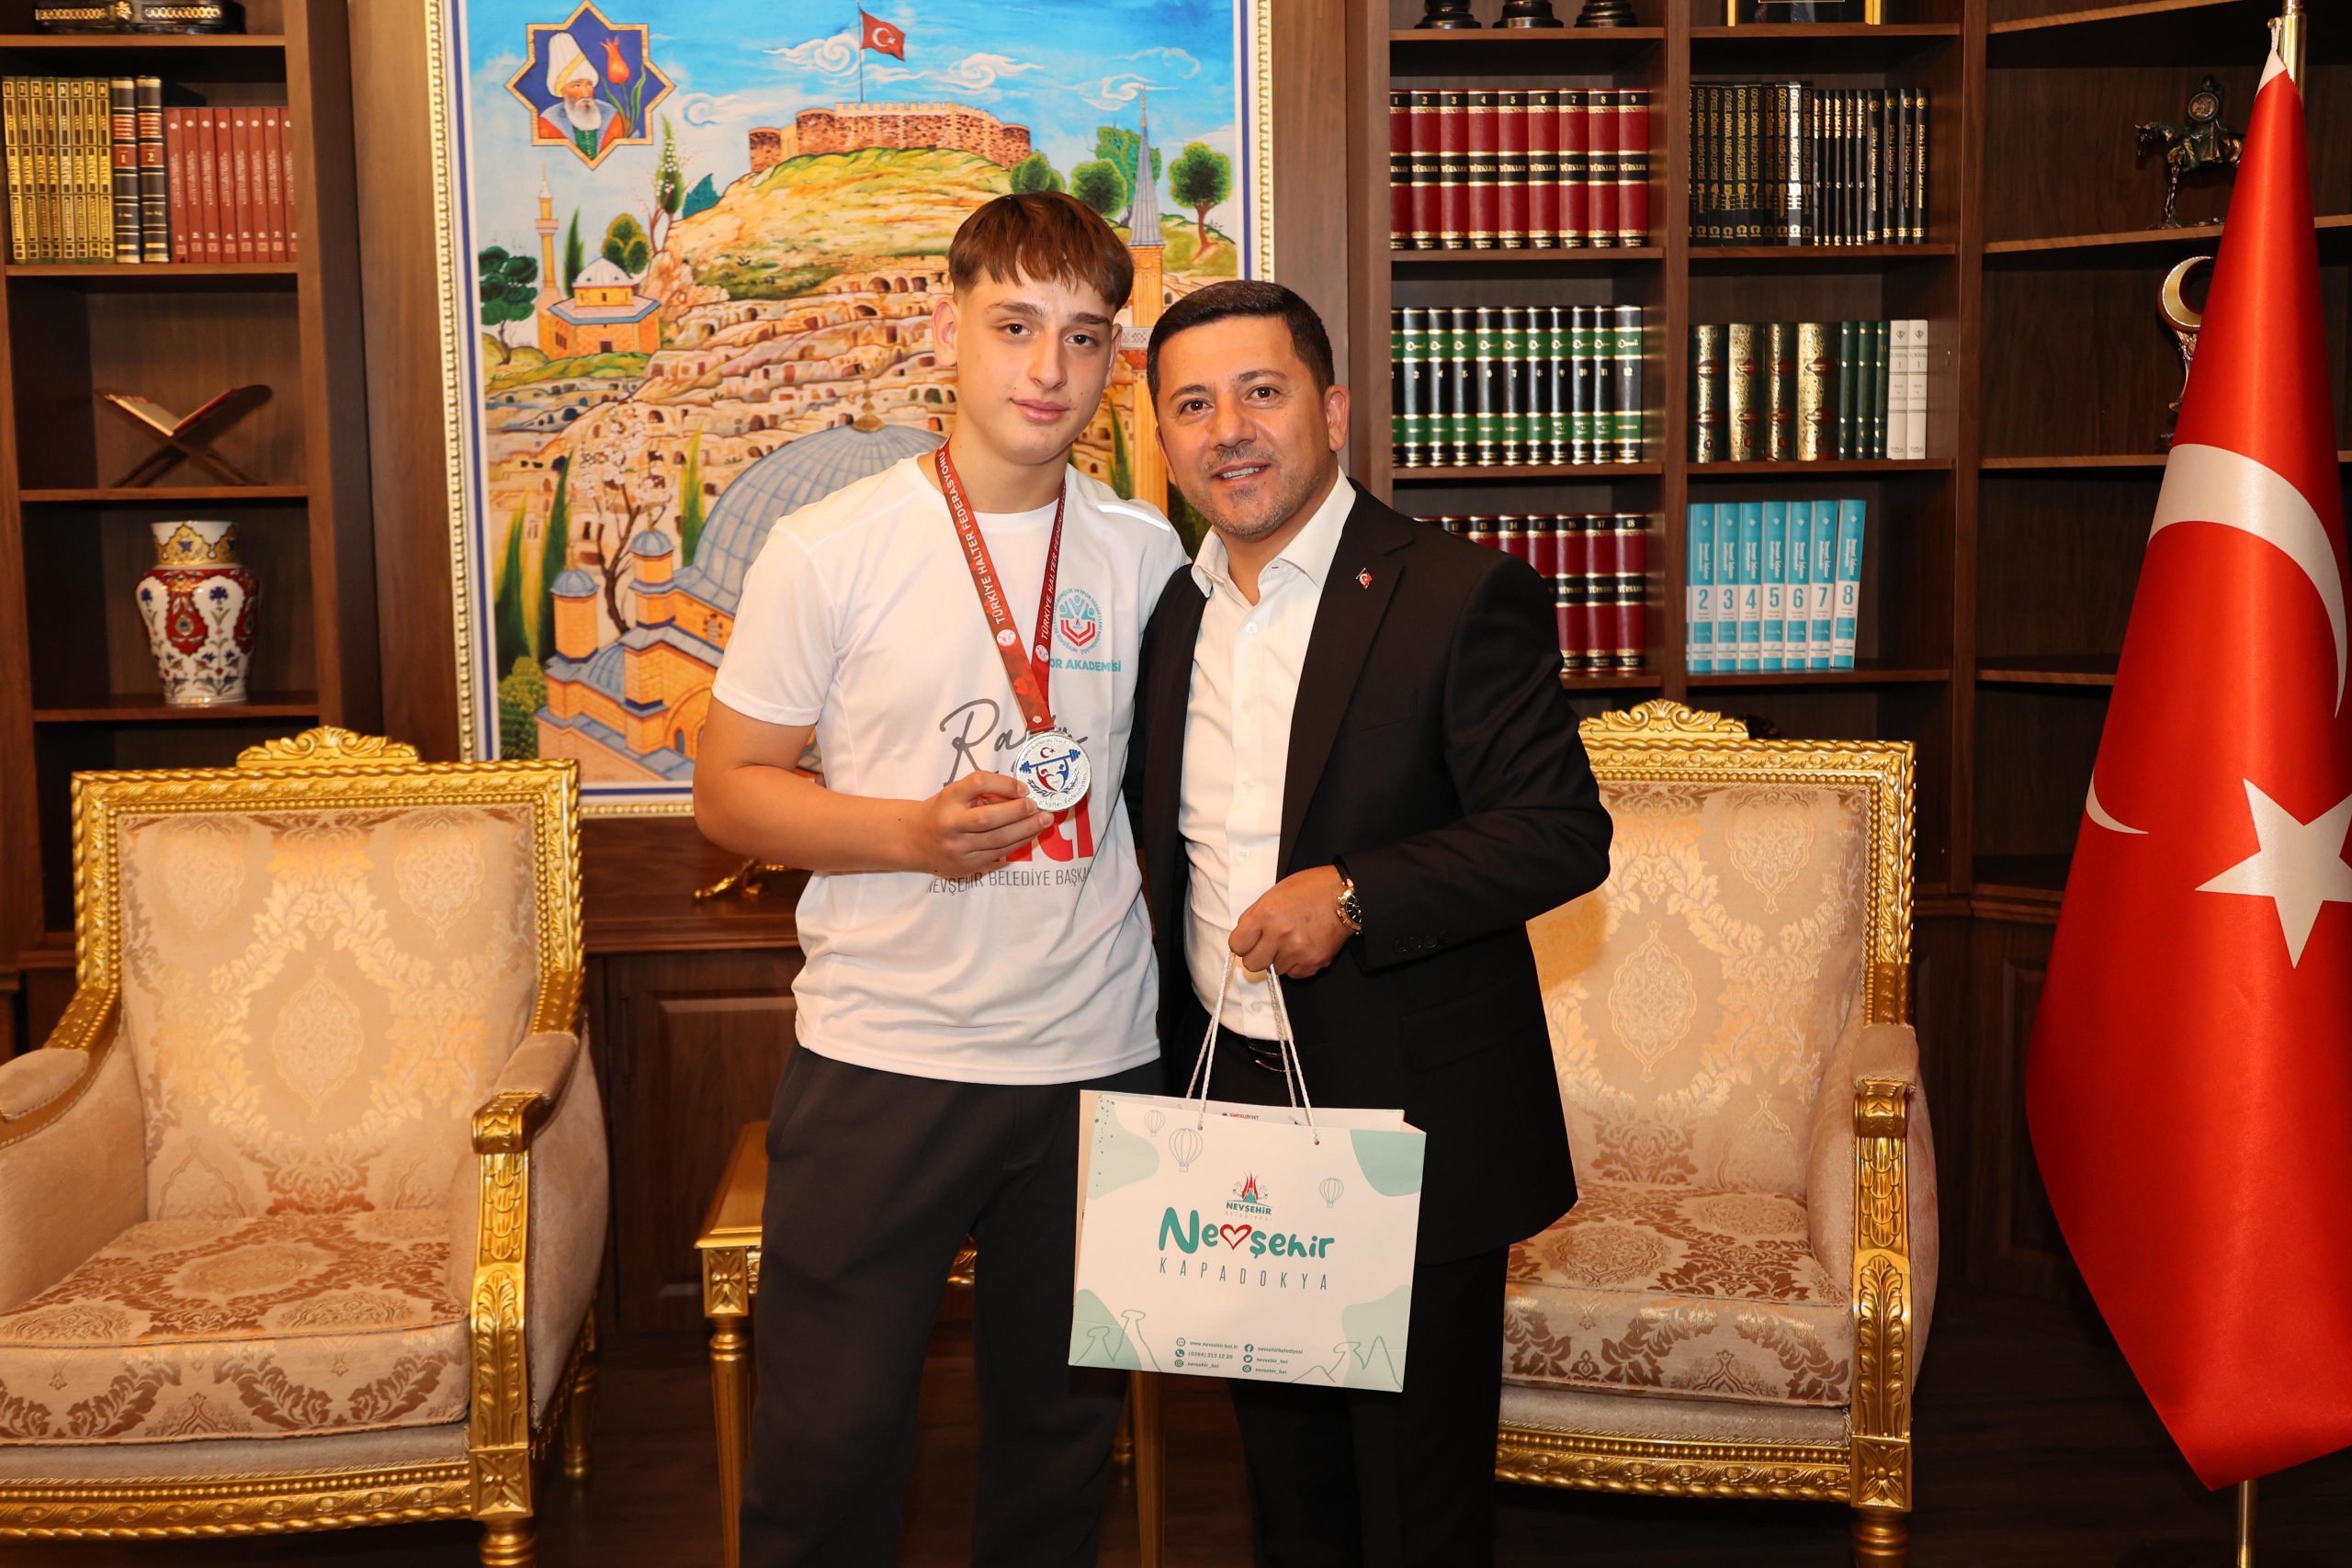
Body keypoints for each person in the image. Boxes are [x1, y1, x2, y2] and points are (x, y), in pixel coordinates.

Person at [695, 191, 1188, 1568]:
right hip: (886, 1059)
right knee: (828, 1454)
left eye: (1083, 337)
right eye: (1014, 326)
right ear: (943, 331)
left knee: (1058, 1454)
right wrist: (912, 835)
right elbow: (729, 794)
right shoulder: (829, 547)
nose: (1048, 369)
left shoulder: (1145, 554)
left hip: (1099, 1060)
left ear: (1114, 360)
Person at [1127, 279, 1614, 1568]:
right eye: (1193, 405)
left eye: (1262, 392)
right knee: (1286, 1493)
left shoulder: (1456, 592)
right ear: (1162, 440)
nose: (1229, 429)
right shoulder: (1171, 617)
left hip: (1406, 1115)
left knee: (1414, 1507)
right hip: (1227, 1115)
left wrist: (1352, 893)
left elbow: (1560, 831)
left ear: (1333, 410)